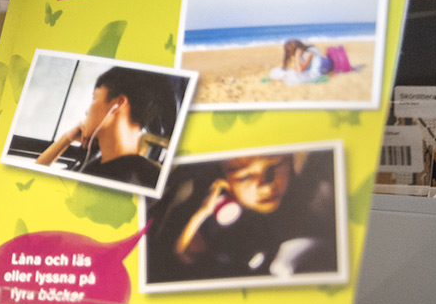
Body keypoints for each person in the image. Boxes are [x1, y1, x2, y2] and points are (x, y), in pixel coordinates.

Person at [172, 152, 335, 281]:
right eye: (245, 176)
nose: (266, 186)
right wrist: (202, 213)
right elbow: (184, 253)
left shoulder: (315, 199)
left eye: (274, 166)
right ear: (226, 183)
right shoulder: (223, 226)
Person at [33, 66, 180, 189]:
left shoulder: (138, 179)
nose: (86, 111)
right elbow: (33, 178)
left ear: (118, 104)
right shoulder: (94, 165)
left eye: (94, 98)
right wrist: (66, 139)